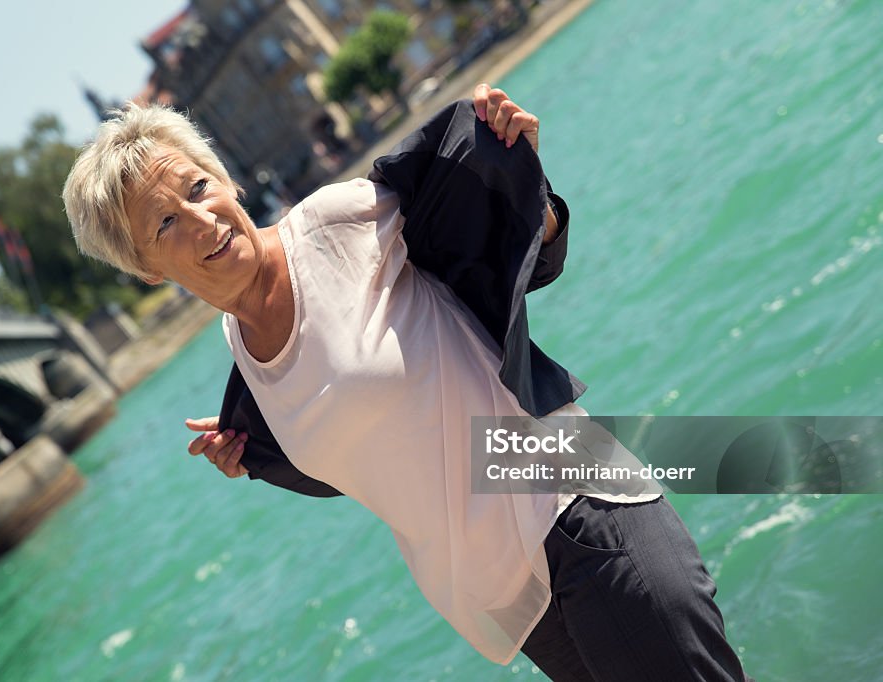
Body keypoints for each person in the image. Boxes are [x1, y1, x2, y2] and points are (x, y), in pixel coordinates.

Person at [63, 84, 754, 681]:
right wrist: (251, 459)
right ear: (146, 268)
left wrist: (522, 178)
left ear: (227, 179)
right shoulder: (242, 358)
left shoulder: (335, 225)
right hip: (511, 594)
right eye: (165, 222)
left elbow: (494, 246)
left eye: (197, 187)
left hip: (574, 507)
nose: (202, 218)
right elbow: (365, 446)